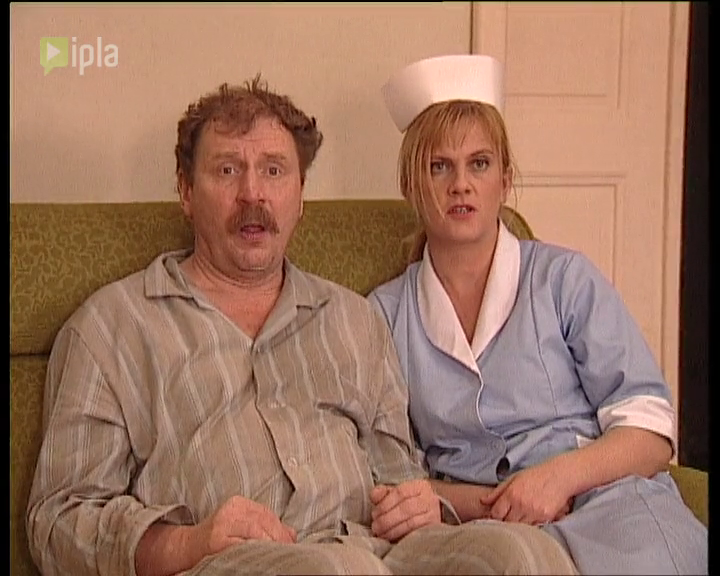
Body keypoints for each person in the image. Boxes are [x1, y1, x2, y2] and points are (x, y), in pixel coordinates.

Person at [26, 75, 580, 576]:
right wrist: (185, 543)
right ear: (187, 193)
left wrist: (415, 501)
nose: (253, 194)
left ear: (299, 197)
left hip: (377, 552)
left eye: (274, 170)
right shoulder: (111, 328)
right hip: (226, 564)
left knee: (521, 555)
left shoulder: (354, 319)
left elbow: (398, 472)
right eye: (227, 170)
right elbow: (57, 519)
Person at [369, 54, 708, 575]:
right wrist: (480, 502)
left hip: (609, 504)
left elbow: (650, 431)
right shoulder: (383, 315)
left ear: (505, 179)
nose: (461, 184)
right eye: (440, 166)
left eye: (479, 164)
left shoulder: (564, 279)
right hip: (481, 529)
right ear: (410, 185)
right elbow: (392, 473)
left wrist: (558, 479)